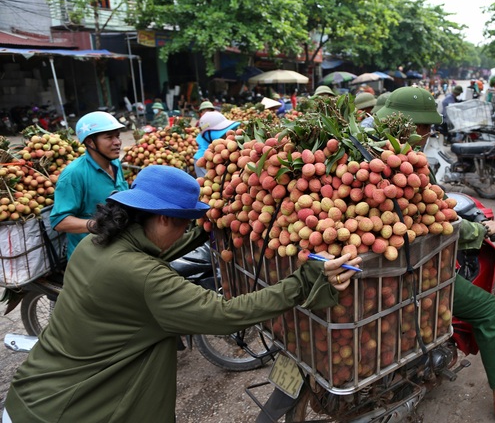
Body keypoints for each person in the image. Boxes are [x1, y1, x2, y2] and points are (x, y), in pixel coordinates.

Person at [4, 165, 361, 423]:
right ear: (162, 219)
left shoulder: (95, 246)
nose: (184, 232)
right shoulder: (145, 277)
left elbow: (157, 250)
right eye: (184, 224)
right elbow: (225, 315)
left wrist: (205, 230)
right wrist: (302, 281)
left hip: (32, 395)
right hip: (74, 411)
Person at [376, 86, 495, 420]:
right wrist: (480, 230)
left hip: (383, 265)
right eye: (426, 128)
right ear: (417, 128)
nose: (428, 135)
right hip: (412, 271)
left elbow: (425, 215)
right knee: (486, 309)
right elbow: (437, 226)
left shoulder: (368, 155)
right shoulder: (409, 169)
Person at [50, 111, 129, 259]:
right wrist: (95, 225)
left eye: (117, 136)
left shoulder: (115, 163)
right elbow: (59, 221)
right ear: (90, 142)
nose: (117, 142)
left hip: (117, 248)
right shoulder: (74, 174)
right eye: (109, 137)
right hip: (88, 257)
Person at [193, 111, 240, 178]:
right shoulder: (201, 159)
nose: (226, 135)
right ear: (208, 135)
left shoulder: (228, 147)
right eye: (223, 133)